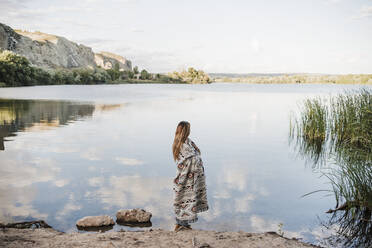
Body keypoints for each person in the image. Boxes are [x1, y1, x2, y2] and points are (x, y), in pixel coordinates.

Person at [172, 121, 209, 232]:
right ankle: (180, 224)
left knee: (188, 199)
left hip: (192, 177)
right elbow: (189, 160)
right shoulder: (182, 145)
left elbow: (195, 156)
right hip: (185, 178)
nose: (190, 131)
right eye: (189, 129)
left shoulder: (188, 142)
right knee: (184, 198)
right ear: (185, 131)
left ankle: (184, 224)